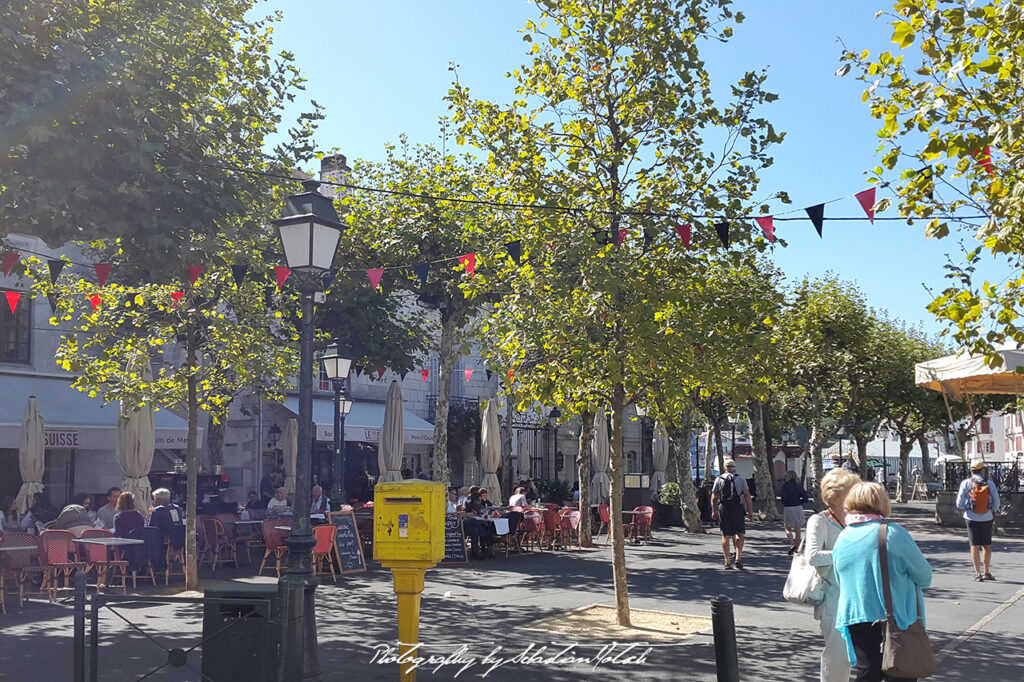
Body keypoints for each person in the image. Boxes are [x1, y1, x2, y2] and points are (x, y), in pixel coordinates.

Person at [832, 482, 932, 682]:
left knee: (867, 672)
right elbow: (924, 576)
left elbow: (839, 578)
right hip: (895, 616)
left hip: (856, 615)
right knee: (901, 672)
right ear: (882, 502)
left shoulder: (843, 538)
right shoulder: (893, 534)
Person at [805, 468, 859, 682]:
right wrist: (850, 553)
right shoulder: (819, 521)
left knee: (863, 656)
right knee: (838, 656)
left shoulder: (857, 519)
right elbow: (813, 556)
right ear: (836, 496)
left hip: (860, 596)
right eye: (852, 491)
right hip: (834, 598)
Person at [955, 459, 1001, 581]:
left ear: (972, 470)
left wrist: (967, 507)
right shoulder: (989, 484)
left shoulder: (966, 483)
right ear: (982, 470)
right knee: (987, 545)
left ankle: (977, 574)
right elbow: (997, 502)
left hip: (970, 517)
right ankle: (987, 572)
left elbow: (959, 503)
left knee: (974, 545)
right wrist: (991, 509)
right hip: (987, 517)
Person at [711, 459, 754, 569]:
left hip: (724, 508)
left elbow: (714, 497)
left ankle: (727, 561)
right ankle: (738, 557)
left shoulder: (718, 479)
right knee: (739, 533)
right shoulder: (741, 479)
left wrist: (714, 510)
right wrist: (750, 512)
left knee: (725, 535)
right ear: (734, 467)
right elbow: (747, 496)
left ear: (725, 467)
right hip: (737, 508)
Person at [780, 471, 809, 554]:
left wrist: (785, 503)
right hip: (798, 507)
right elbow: (805, 497)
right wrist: (800, 501)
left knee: (787, 527)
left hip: (788, 507)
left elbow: (783, 498)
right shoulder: (799, 486)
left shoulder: (785, 486)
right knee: (798, 528)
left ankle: (792, 543)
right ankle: (797, 548)